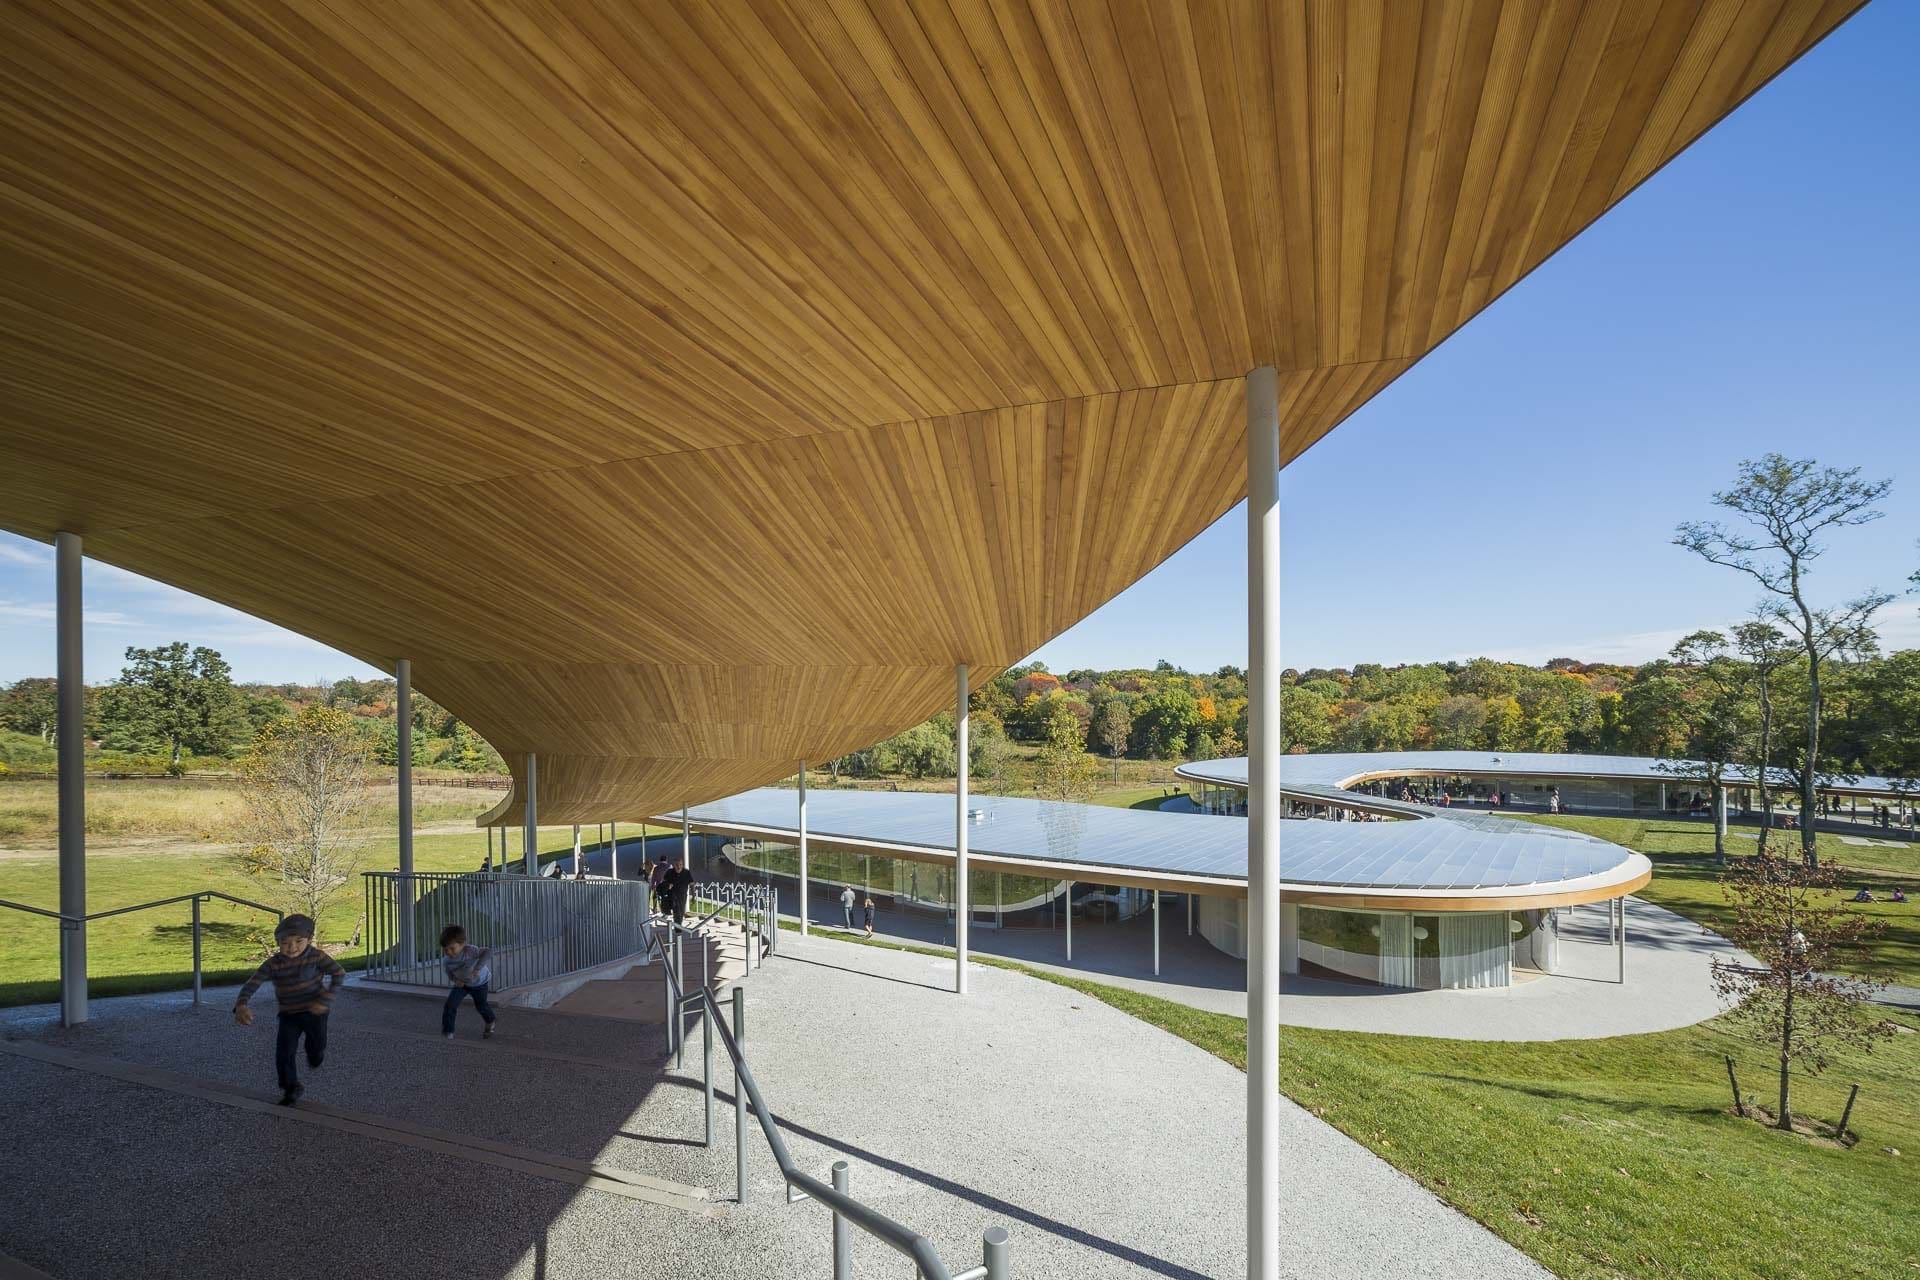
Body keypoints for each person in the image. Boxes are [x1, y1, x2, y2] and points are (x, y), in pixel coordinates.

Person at [232, 914, 345, 1107]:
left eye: (298, 942)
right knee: (284, 1052)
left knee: (315, 1046)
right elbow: (253, 983)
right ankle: (290, 1088)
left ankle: (315, 1054)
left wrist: (326, 999)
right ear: (278, 943)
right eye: (285, 943)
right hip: (288, 1014)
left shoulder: (316, 956)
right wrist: (241, 1005)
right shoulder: (273, 963)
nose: (292, 947)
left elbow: (339, 973)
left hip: (315, 1011)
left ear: (308, 940)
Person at [439, 924, 497, 1040]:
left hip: (480, 984)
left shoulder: (471, 951)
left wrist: (477, 968)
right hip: (462, 984)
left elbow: (489, 952)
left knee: (481, 1006)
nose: (449, 952)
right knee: (450, 1005)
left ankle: (490, 1021)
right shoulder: (447, 961)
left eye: (452, 948)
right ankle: (448, 1031)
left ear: (463, 944)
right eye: (446, 950)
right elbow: (450, 974)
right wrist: (456, 981)